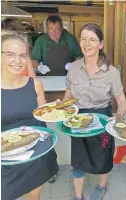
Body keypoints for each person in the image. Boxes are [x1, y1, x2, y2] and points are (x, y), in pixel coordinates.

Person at [63, 23, 126, 200]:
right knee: (78, 160)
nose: (87, 43)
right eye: (83, 39)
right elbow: (68, 96)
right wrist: (60, 107)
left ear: (100, 44)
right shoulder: (74, 68)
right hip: (78, 121)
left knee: (103, 158)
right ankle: (78, 196)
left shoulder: (112, 72)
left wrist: (119, 117)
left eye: (92, 39)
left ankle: (102, 186)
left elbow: (122, 101)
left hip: (103, 120)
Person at [1, 34, 59, 200]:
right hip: (6, 160)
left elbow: (42, 116)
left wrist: (54, 109)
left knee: (33, 195)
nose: (17, 61)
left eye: (22, 55)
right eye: (10, 54)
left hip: (36, 154)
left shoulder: (35, 84)